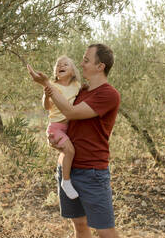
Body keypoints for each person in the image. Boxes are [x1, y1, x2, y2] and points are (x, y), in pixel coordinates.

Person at [28, 44, 120, 238]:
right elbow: (62, 119)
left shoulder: (108, 94)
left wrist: (47, 85)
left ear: (100, 66)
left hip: (92, 172)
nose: (81, 63)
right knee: (79, 225)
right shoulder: (81, 91)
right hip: (68, 169)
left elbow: (70, 112)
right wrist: (57, 141)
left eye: (86, 60)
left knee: (105, 231)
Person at [42, 55, 81, 199]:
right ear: (55, 72)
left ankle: (63, 175)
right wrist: (47, 96)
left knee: (67, 151)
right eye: (58, 65)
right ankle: (66, 181)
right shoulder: (54, 86)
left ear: (72, 71)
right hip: (56, 128)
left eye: (65, 64)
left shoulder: (76, 86)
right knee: (69, 150)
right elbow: (47, 107)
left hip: (68, 127)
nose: (61, 66)